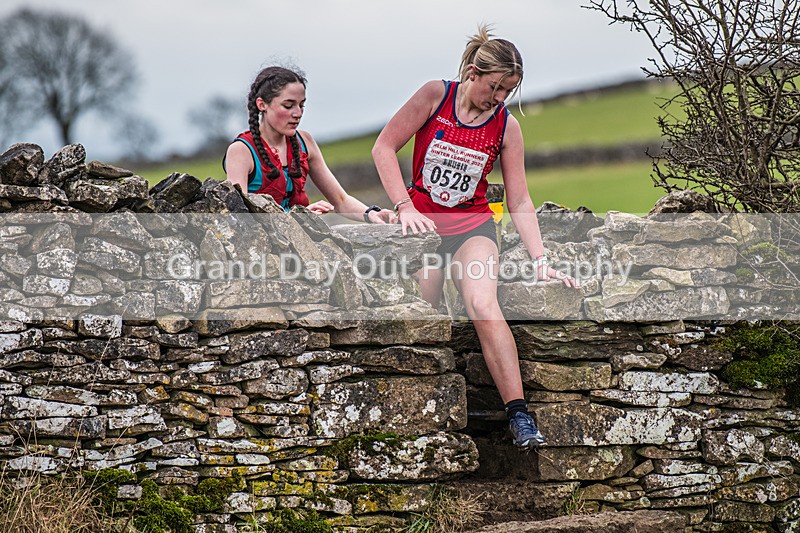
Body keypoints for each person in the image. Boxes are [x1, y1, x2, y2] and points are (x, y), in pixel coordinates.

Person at [372, 25, 581, 449]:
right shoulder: (435, 96)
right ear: (471, 72)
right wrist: (404, 207)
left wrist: (540, 260)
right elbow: (383, 148)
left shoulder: (507, 127)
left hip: (473, 228)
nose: (499, 98)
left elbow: (520, 200)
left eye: (509, 90)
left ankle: (519, 416)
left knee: (484, 304)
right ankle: (431, 419)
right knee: (427, 311)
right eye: (494, 87)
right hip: (423, 230)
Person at [224, 66, 393, 224]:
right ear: (262, 105)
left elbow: (341, 200)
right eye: (288, 105)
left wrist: (371, 214)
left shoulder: (305, 142)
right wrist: (298, 217)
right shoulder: (241, 151)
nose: (298, 113)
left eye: (301, 105)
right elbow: (239, 218)